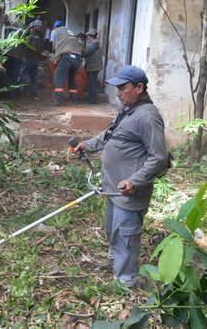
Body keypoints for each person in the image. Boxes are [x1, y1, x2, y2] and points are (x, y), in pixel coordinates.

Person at [72, 65, 168, 288]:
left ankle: (126, 281)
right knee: (112, 229)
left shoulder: (148, 117)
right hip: (113, 189)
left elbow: (159, 156)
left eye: (123, 88)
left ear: (139, 87)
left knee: (126, 235)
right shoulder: (128, 110)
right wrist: (87, 146)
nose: (118, 93)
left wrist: (134, 181)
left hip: (129, 191)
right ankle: (116, 261)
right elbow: (110, 135)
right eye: (116, 88)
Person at [48, 21, 82, 106]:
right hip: (78, 57)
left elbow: (53, 47)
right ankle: (74, 100)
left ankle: (59, 101)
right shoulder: (70, 31)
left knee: (58, 78)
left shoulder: (55, 31)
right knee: (71, 78)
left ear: (55, 27)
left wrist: (54, 54)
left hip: (68, 56)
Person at [19, 19, 43, 98]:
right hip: (28, 58)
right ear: (35, 26)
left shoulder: (36, 35)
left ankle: (33, 93)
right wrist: (40, 52)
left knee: (34, 77)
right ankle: (20, 93)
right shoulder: (29, 33)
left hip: (34, 59)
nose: (40, 29)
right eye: (39, 27)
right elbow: (31, 44)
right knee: (24, 76)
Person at [81, 28, 103, 105]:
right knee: (90, 82)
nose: (88, 38)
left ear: (90, 36)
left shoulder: (95, 44)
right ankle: (90, 97)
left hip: (94, 66)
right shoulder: (95, 44)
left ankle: (92, 99)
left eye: (89, 36)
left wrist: (81, 55)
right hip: (91, 66)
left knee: (92, 83)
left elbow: (89, 53)